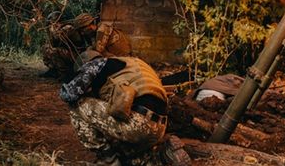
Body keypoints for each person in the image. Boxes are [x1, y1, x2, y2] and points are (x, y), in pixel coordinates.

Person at [60, 50, 191, 166]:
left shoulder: (95, 64)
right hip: (159, 127)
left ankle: (108, 160)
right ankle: (162, 156)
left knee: (77, 105)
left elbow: (69, 95)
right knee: (126, 158)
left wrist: (71, 79)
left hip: (138, 124)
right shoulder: (134, 64)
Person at [41, 13, 97, 79]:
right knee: (46, 47)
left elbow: (56, 36)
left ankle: (64, 73)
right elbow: (53, 43)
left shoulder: (69, 28)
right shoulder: (64, 28)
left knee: (53, 51)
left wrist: (53, 29)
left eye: (52, 24)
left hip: (79, 55)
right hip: (74, 53)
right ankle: (53, 70)